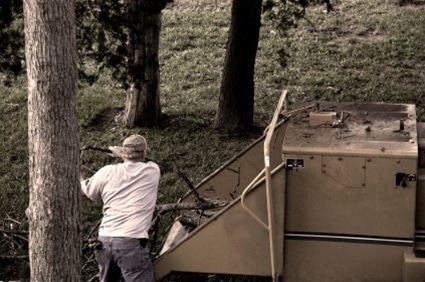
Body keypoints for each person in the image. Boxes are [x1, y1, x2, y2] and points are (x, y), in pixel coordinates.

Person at [81, 134, 160, 282]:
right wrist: (122, 154)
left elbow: (87, 191)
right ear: (144, 152)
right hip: (131, 241)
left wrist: (78, 176)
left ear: (125, 152)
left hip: (104, 239)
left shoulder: (107, 171)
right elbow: (148, 160)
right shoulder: (152, 170)